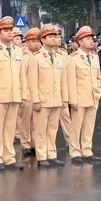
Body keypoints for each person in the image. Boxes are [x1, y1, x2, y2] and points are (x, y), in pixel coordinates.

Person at [0, 16, 24, 171]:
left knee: (10, 128)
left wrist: (23, 95)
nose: (9, 33)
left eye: (10, 30)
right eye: (6, 30)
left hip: (14, 94)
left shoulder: (18, 50)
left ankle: (9, 158)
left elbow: (21, 75)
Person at [27, 24, 68, 167]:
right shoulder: (36, 58)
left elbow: (63, 80)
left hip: (55, 99)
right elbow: (32, 82)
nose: (54, 39)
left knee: (53, 129)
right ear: (42, 40)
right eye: (50, 37)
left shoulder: (58, 57)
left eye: (55, 36)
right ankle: (41, 156)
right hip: (42, 100)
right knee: (40, 129)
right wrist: (36, 101)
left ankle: (52, 154)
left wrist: (64, 99)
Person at [65, 26, 101, 164]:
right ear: (79, 41)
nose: (91, 41)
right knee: (76, 126)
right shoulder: (72, 59)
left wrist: (97, 88)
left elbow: (98, 77)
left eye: (91, 38)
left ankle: (87, 150)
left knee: (89, 125)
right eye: (87, 39)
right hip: (79, 97)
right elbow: (70, 81)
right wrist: (72, 100)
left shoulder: (94, 57)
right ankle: (75, 152)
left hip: (93, 96)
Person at [18, 28, 40, 156]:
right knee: (25, 120)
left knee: (36, 121)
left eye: (38, 41)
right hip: (27, 92)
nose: (36, 44)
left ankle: (34, 143)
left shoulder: (41, 56)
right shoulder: (22, 56)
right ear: (26, 42)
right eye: (33, 41)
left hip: (38, 92)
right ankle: (25, 144)